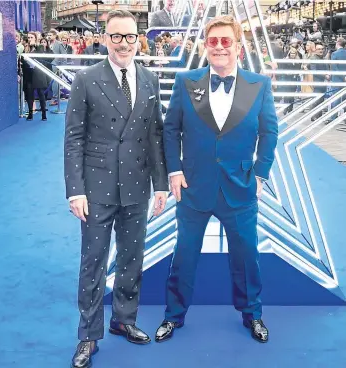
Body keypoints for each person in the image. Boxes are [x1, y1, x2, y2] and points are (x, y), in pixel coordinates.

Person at [157, 15, 278, 344]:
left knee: (246, 256)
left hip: (240, 188)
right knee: (184, 255)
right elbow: (171, 130)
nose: (220, 47)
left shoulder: (259, 85)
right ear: (205, 46)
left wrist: (261, 174)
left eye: (227, 41)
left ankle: (252, 314)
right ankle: (173, 316)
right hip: (194, 187)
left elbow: (269, 133)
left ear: (238, 46)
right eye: (214, 41)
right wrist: (175, 170)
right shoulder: (186, 81)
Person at [64, 9, 168, 368]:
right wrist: (74, 189)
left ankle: (124, 319)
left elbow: (156, 135)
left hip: (137, 186)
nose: (123, 43)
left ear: (139, 39)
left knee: (131, 258)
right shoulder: (86, 79)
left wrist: (161, 184)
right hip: (96, 188)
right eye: (116, 36)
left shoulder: (150, 78)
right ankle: (88, 336)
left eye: (130, 36)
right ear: (105, 39)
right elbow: (73, 138)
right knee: (93, 262)